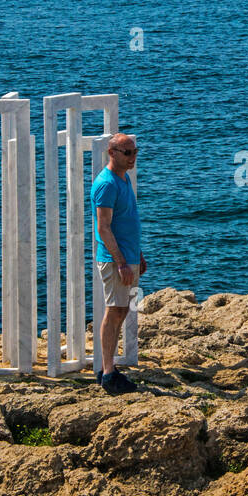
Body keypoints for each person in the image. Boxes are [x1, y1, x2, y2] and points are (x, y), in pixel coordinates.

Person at [91, 133, 145, 394]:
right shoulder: (107, 184)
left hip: (128, 258)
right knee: (113, 312)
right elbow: (103, 228)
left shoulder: (124, 179)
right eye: (127, 152)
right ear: (112, 153)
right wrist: (122, 262)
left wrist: (139, 256)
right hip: (116, 261)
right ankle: (108, 372)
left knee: (122, 311)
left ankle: (107, 368)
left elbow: (128, 221)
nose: (132, 157)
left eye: (134, 151)